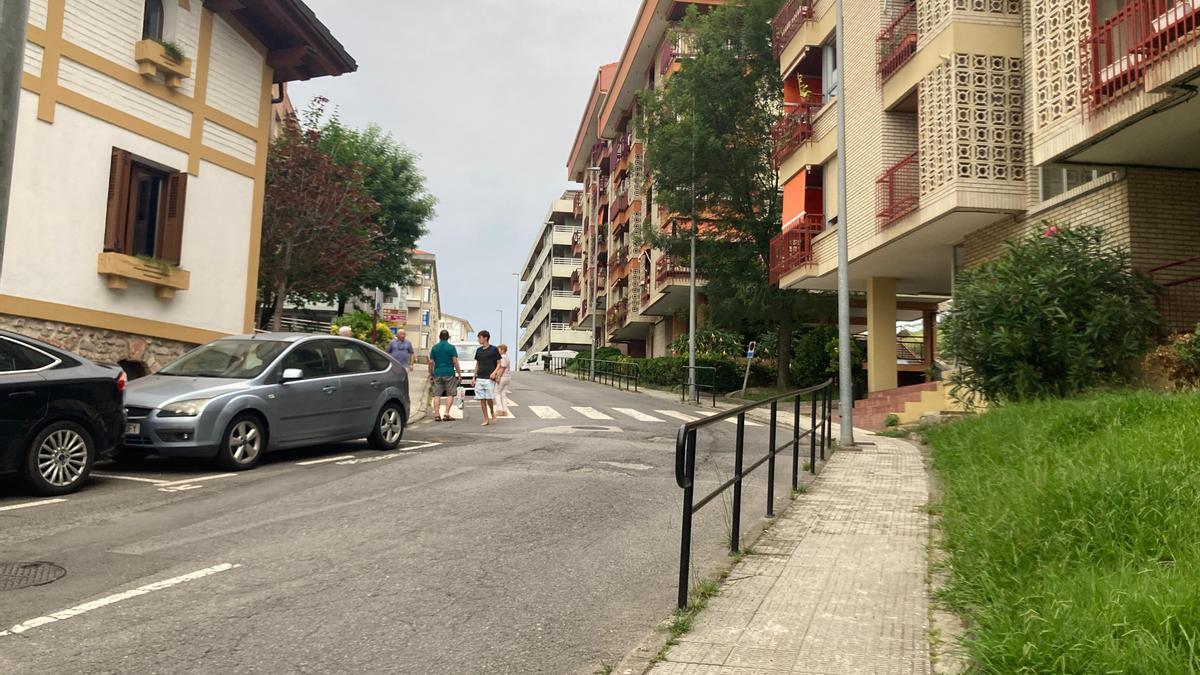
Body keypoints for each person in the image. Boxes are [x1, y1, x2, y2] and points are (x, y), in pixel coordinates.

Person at [428, 329, 461, 422]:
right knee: (450, 394)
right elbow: (455, 361)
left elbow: (431, 362)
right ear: (448, 337)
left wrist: (430, 374)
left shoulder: (434, 348)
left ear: (439, 337)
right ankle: (446, 414)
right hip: (449, 373)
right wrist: (459, 374)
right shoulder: (451, 347)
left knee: (437, 395)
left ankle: (437, 415)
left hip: (437, 373)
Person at [472, 330, 501, 426]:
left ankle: (492, 412)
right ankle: (485, 418)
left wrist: (494, 373)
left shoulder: (494, 349)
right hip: (480, 377)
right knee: (482, 399)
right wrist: (473, 377)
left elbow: (499, 364)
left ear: (485, 338)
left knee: (489, 398)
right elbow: (477, 364)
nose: (478, 339)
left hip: (489, 378)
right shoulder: (478, 350)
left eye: (479, 337)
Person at [494, 344, 513, 417]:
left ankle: (500, 410)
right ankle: (505, 410)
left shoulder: (502, 357)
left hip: (503, 377)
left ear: (502, 350)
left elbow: (502, 368)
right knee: (503, 394)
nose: (497, 351)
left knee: (497, 393)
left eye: (498, 350)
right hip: (508, 377)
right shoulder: (507, 358)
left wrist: (498, 377)